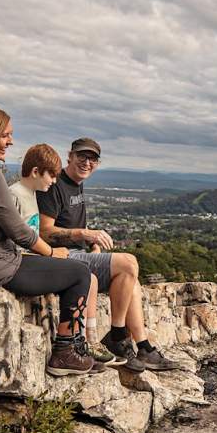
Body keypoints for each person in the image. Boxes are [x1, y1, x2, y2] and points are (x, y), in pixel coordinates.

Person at [0, 104, 100, 378]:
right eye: (5, 135)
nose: (10, 141)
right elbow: (19, 231)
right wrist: (51, 252)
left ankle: (73, 348)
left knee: (65, 270)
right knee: (78, 273)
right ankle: (66, 352)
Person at [37, 137, 180, 373]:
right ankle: (116, 336)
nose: (86, 162)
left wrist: (89, 245)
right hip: (59, 259)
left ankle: (143, 347)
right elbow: (44, 231)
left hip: (78, 255)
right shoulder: (55, 185)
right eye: (82, 156)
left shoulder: (76, 184)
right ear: (69, 156)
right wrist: (83, 233)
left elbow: (71, 229)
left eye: (92, 159)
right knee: (129, 262)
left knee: (130, 278)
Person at [8, 143, 123, 367]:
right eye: (51, 175)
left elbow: (32, 233)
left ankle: (81, 342)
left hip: (35, 258)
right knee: (82, 273)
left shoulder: (31, 194)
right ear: (35, 172)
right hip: (23, 262)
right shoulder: (15, 194)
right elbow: (16, 236)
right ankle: (69, 346)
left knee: (88, 277)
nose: (53, 181)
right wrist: (51, 252)